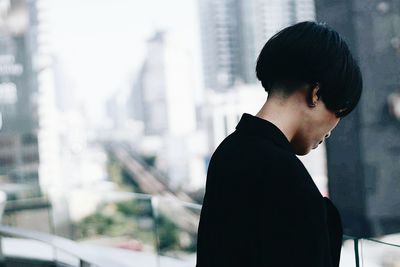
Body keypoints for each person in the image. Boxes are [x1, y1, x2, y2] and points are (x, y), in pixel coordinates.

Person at [196, 21, 362, 267]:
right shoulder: (287, 178)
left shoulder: (228, 151)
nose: (332, 129)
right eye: (339, 111)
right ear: (315, 94)